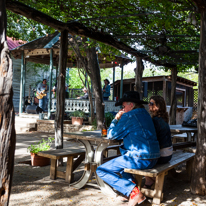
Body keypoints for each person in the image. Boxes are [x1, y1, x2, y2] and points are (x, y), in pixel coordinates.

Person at [96, 91, 160, 206]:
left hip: (141, 159)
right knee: (122, 164)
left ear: (131, 104)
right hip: (154, 157)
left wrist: (116, 119)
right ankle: (130, 192)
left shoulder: (129, 116)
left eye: (124, 106)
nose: (122, 109)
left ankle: (134, 192)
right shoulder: (145, 114)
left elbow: (111, 135)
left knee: (101, 170)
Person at [144, 95, 173, 188]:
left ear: (158, 106)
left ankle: (149, 181)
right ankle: (151, 180)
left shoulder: (155, 121)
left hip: (162, 156)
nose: (149, 105)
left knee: (141, 158)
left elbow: (151, 140)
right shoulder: (163, 119)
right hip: (169, 154)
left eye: (151, 103)